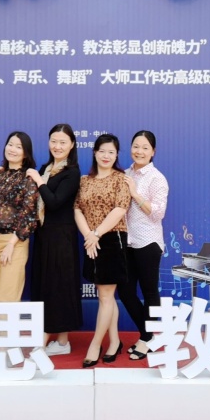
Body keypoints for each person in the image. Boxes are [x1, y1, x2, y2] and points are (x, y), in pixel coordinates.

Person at [74, 133, 130, 368]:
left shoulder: (121, 179)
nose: (106, 156)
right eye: (102, 151)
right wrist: (88, 235)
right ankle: (115, 341)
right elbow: (77, 208)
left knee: (106, 296)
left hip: (111, 239)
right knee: (105, 295)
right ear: (95, 152)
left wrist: (96, 234)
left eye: (111, 152)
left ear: (116, 155)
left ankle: (95, 344)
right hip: (90, 240)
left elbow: (121, 209)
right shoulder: (85, 180)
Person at [27, 124, 83, 355]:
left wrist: (39, 181)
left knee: (58, 286)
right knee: (47, 285)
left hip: (61, 237)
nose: (57, 146)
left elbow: (55, 202)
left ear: (72, 145)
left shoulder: (72, 172)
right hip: (43, 235)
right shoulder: (46, 168)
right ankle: (62, 342)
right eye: (53, 141)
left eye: (62, 142)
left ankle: (43, 341)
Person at [118, 130, 169, 361]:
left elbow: (158, 213)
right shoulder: (125, 174)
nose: (139, 151)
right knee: (125, 291)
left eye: (145, 147)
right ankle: (148, 335)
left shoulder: (157, 178)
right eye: (136, 146)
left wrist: (135, 194)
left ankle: (146, 339)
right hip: (126, 242)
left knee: (149, 291)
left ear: (153, 151)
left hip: (148, 242)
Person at [0, 131, 39, 304]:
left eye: (18, 147)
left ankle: (7, 327)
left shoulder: (28, 178)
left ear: (25, 153)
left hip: (14, 242)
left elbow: (28, 214)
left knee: (7, 299)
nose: (12, 149)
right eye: (10, 144)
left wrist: (11, 244)